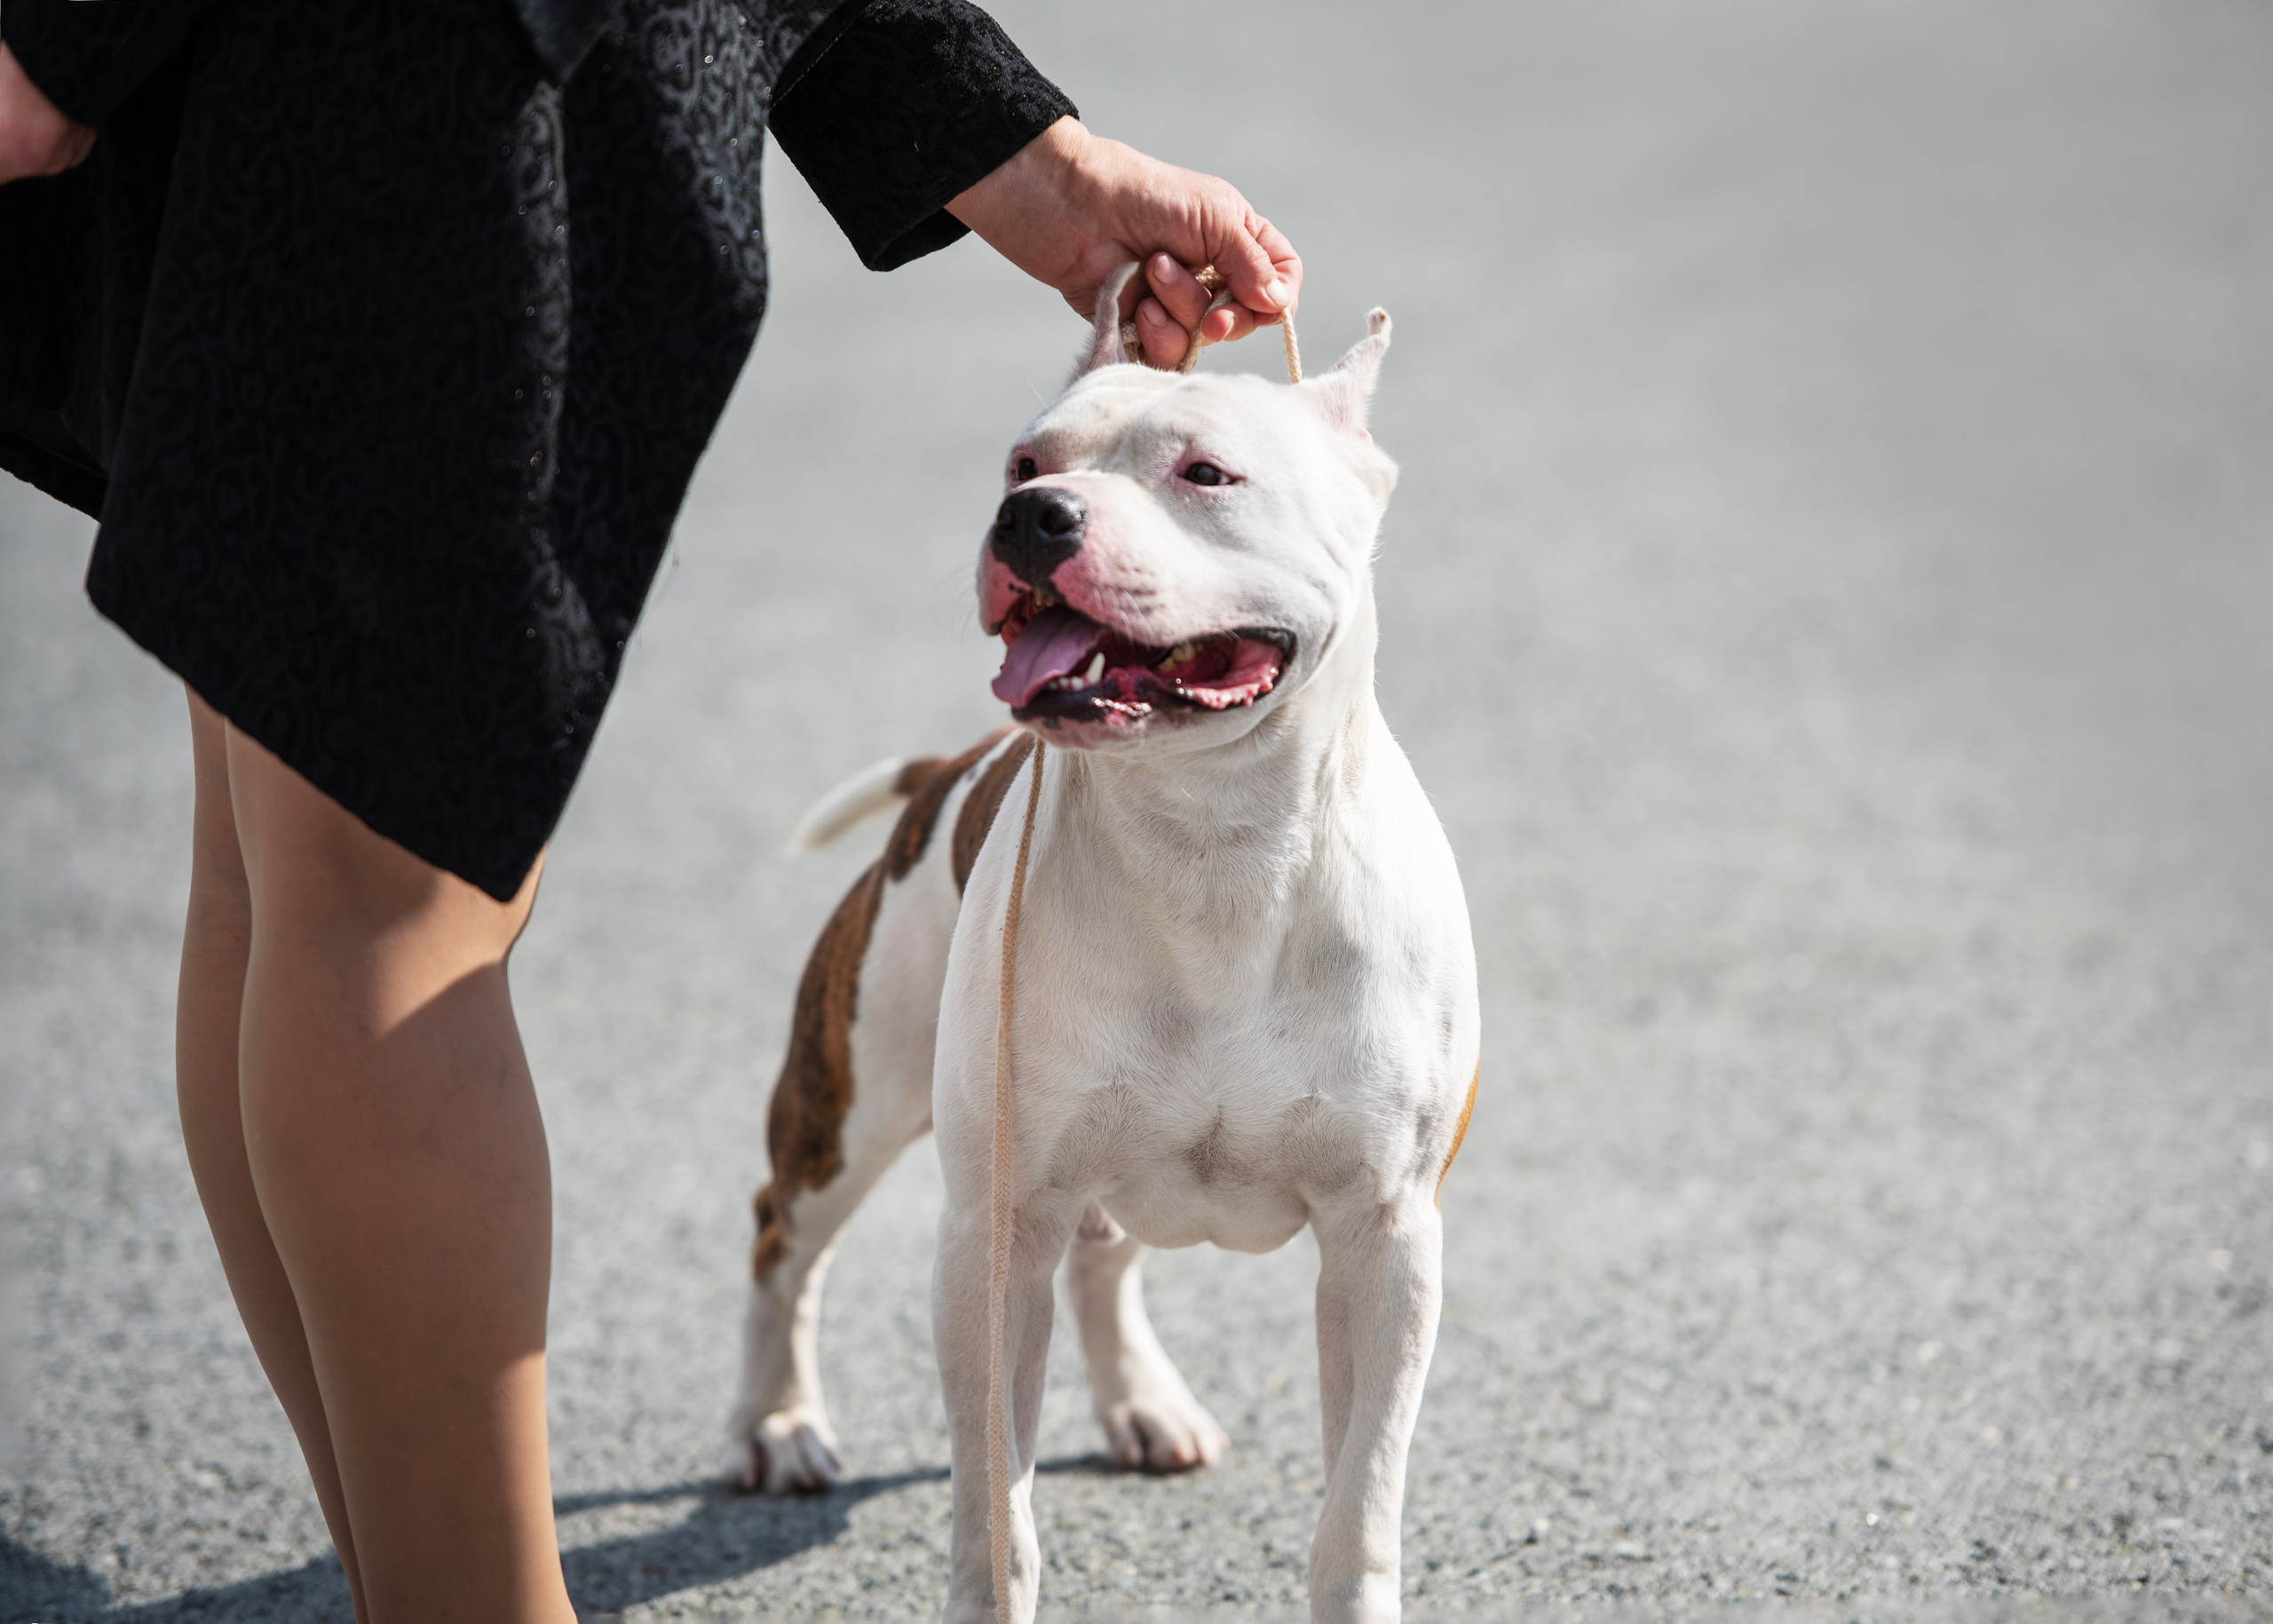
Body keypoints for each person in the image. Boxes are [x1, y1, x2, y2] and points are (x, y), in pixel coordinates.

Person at [0, 2, 1301, 1618]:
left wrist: (1032, 161)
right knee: (374, 895)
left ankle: (426, 1571)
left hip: (362, 93)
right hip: (409, 96)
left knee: (286, 870)